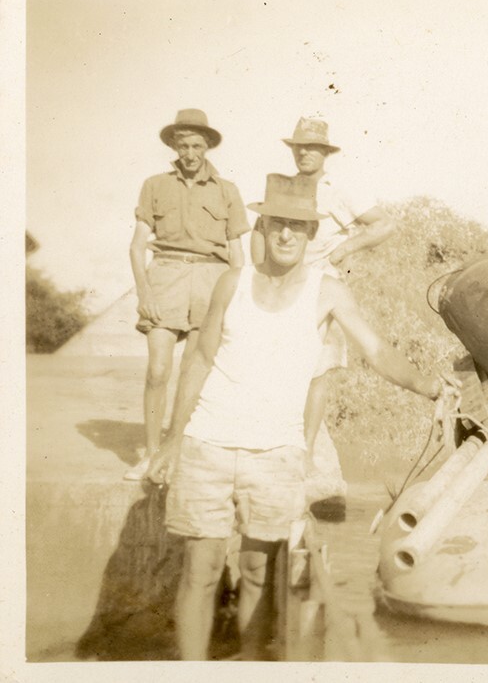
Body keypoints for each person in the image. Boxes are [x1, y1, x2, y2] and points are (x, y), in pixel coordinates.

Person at [146, 173, 445, 660]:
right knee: (199, 572)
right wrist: (172, 440)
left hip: (277, 454)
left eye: (299, 227)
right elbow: (198, 361)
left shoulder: (327, 292)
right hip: (208, 444)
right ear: (262, 227)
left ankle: (248, 664)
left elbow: (376, 350)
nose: (287, 235)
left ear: (312, 235)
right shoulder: (232, 282)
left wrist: (429, 386)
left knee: (258, 573)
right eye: (278, 224)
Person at [250, 116, 397, 488]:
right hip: (282, 284)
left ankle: (308, 451)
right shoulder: (283, 186)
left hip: (320, 285)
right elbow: (260, 228)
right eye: (299, 147)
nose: (305, 154)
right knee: (272, 365)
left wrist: (346, 248)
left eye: (313, 148)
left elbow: (384, 224)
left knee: (318, 372)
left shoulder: (339, 189)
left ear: (324, 153)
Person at [126, 109, 250, 480]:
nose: (190, 153)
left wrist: (235, 297)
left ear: (208, 146)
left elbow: (237, 256)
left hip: (212, 279)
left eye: (197, 145)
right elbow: (136, 246)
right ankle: (149, 455)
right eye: (183, 145)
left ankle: (172, 453)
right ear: (174, 146)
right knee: (158, 370)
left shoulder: (227, 190)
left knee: (193, 374)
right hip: (165, 274)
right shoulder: (154, 185)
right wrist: (144, 293)